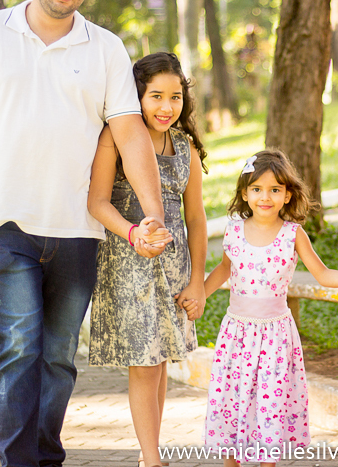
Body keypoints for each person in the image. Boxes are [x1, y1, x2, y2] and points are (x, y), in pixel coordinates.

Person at [0, 0, 171, 467]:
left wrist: (152, 214)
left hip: (77, 232)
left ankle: (45, 457)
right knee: (18, 350)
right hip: (5, 224)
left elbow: (130, 135)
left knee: (58, 358)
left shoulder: (105, 46)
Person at [195, 150, 338, 467]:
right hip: (237, 334)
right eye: (257, 189)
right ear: (245, 193)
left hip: (275, 338)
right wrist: (199, 295)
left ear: (287, 194)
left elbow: (322, 274)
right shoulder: (234, 230)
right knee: (235, 400)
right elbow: (223, 270)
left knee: (270, 406)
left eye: (274, 189)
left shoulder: (293, 234)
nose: (265, 197)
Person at [87, 52, 208, 467]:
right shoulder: (117, 136)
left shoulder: (184, 145)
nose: (166, 107)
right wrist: (133, 232)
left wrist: (197, 282)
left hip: (172, 270)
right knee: (143, 363)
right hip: (128, 264)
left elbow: (195, 218)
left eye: (175, 97)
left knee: (157, 363)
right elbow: (97, 202)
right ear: (136, 95)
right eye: (155, 96)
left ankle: (148, 453)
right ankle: (153, 460)